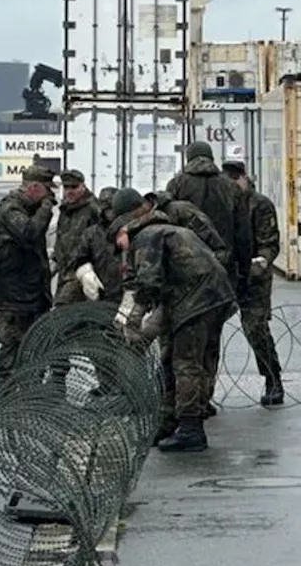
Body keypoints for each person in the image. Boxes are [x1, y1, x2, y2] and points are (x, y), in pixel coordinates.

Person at [111, 188, 236, 451]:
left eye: (118, 238)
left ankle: (191, 429)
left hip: (197, 302)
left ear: (125, 225)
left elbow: (148, 283)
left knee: (186, 364)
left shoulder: (146, 236)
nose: (119, 247)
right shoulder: (168, 230)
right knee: (174, 360)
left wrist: (134, 318)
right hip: (213, 298)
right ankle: (170, 422)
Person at [165, 141, 253, 417]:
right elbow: (243, 233)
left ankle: (180, 401)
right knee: (211, 339)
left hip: (183, 272)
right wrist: (243, 271)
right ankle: (205, 396)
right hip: (221, 272)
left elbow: (167, 225)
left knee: (180, 342)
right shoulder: (229, 187)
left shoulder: (177, 184)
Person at [0, 165, 57, 386]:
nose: (50, 196)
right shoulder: (11, 210)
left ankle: (29, 394)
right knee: (12, 348)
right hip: (12, 297)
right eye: (47, 190)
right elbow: (29, 233)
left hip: (31, 294)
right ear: (34, 187)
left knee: (35, 347)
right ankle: (6, 398)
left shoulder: (27, 210)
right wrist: (45, 209)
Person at [223, 161, 284, 406]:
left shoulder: (259, 204)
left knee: (255, 329)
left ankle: (273, 379)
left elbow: (270, 242)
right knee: (207, 333)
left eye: (236, 180)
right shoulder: (222, 204)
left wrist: (262, 261)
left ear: (244, 179)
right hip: (226, 274)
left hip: (253, 276)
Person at [51, 169, 103, 306]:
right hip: (65, 273)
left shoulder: (93, 208)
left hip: (83, 273)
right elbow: (61, 239)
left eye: (74, 187)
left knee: (63, 311)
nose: (69, 191)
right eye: (66, 187)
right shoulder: (66, 209)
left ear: (83, 186)